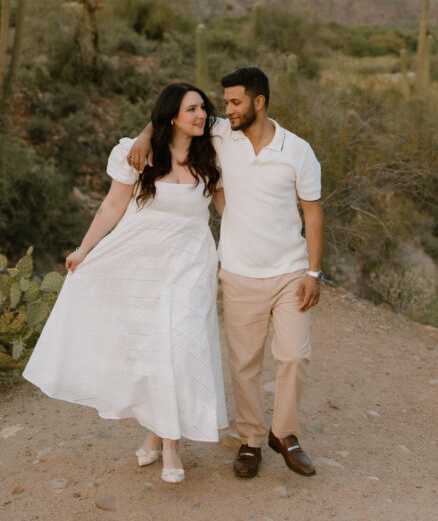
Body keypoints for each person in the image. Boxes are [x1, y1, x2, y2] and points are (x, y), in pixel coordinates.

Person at [23, 82, 228, 484]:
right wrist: (84, 249)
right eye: (191, 109)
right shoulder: (138, 155)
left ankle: (166, 443)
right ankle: (162, 437)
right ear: (171, 115)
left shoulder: (214, 149)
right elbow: (113, 205)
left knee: (179, 343)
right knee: (155, 347)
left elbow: (228, 210)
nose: (201, 115)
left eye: (203, 107)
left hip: (191, 262)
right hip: (143, 261)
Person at [128, 66, 324, 479]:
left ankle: (285, 434)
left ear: (259, 102)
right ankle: (252, 439)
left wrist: (314, 272)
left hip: (290, 271)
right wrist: (145, 136)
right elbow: (172, 112)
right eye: (225, 104)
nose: (225, 111)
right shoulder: (221, 133)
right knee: (244, 363)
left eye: (235, 103)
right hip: (237, 271)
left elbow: (313, 212)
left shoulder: (298, 151)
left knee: (293, 355)